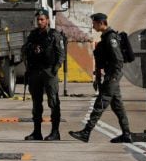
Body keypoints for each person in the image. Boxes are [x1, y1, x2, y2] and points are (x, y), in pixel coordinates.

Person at [69, 12, 133, 143]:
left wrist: (113, 77)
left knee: (100, 104)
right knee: (117, 106)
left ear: (101, 23)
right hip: (111, 76)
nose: (93, 26)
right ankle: (126, 134)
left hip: (112, 77)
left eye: (94, 23)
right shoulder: (105, 37)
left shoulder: (111, 38)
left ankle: (86, 132)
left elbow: (119, 60)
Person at [22, 8, 63, 141]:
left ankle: (55, 132)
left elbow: (60, 54)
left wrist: (55, 69)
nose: (39, 22)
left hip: (49, 71)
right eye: (38, 20)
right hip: (35, 71)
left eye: (42, 19)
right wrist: (32, 48)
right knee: (36, 103)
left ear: (47, 20)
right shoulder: (33, 35)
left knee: (53, 102)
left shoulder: (54, 35)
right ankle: (37, 132)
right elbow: (24, 49)